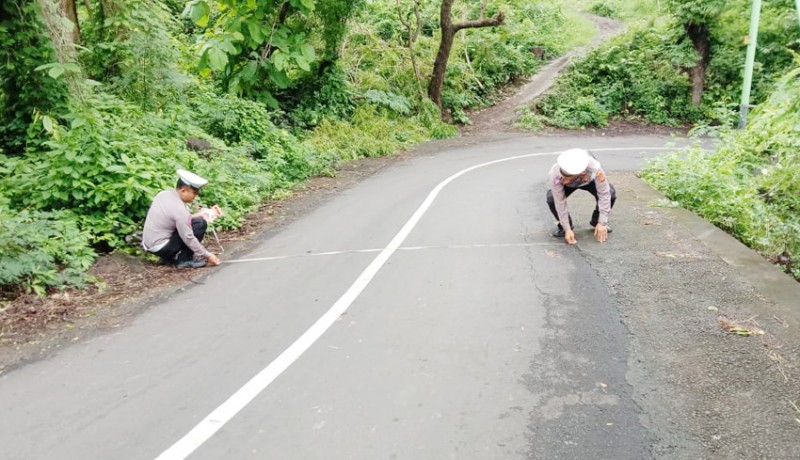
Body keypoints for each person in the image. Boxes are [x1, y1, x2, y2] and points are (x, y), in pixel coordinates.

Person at [142, 169, 222, 269]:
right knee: (200, 224)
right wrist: (207, 255)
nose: (195, 196)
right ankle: (184, 260)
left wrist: (200, 214)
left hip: (150, 244)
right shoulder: (179, 210)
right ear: (183, 190)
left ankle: (167, 258)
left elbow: (176, 219)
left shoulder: (164, 194)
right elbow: (188, 237)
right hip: (162, 247)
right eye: (194, 193)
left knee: (198, 220)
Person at [546, 148, 616, 245]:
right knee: (551, 199)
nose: (565, 180)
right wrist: (567, 229)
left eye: (568, 179)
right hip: (568, 187)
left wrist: (602, 222)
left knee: (611, 194)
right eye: (564, 179)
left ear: (581, 173)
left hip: (590, 181)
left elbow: (604, 193)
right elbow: (560, 203)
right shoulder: (556, 177)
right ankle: (565, 227)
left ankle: (596, 222)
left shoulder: (594, 167)